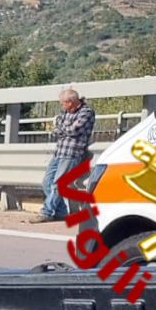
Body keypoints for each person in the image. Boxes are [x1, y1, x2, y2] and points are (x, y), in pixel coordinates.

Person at [36, 87, 97, 223]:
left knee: (59, 183)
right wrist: (63, 128)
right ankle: (61, 212)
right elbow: (58, 124)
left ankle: (47, 212)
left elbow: (74, 129)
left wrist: (62, 129)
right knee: (47, 181)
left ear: (70, 102)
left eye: (63, 103)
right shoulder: (65, 112)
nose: (62, 106)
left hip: (72, 152)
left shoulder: (86, 112)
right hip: (59, 151)